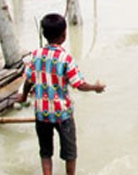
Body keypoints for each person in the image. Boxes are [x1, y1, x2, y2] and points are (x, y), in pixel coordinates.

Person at [17, 13, 106, 175]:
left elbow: (29, 81)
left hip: (42, 113)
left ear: (43, 34)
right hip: (62, 113)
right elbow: (79, 84)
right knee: (69, 153)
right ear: (64, 35)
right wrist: (95, 87)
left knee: (45, 152)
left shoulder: (35, 56)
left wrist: (23, 97)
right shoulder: (66, 59)